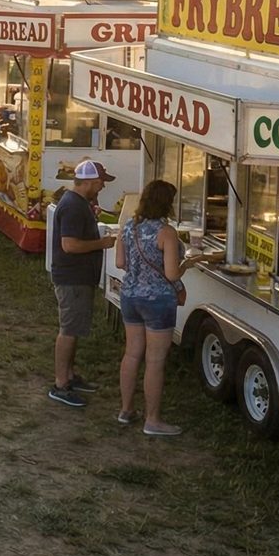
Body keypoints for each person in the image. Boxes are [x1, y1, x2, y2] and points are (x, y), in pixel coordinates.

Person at [117, 181, 216, 436]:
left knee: (131, 354)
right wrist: (188, 264)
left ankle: (126, 410)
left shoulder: (128, 227)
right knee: (155, 360)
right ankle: (152, 420)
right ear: (166, 203)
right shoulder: (167, 232)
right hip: (158, 301)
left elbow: (120, 262)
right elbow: (172, 273)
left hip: (130, 296)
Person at [49, 160, 116, 409]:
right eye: (100, 182)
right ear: (87, 182)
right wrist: (102, 243)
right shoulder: (74, 207)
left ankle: (69, 375)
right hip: (72, 278)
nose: (102, 187)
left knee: (74, 328)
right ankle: (60, 384)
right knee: (68, 330)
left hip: (78, 277)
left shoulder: (78, 203)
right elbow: (70, 245)